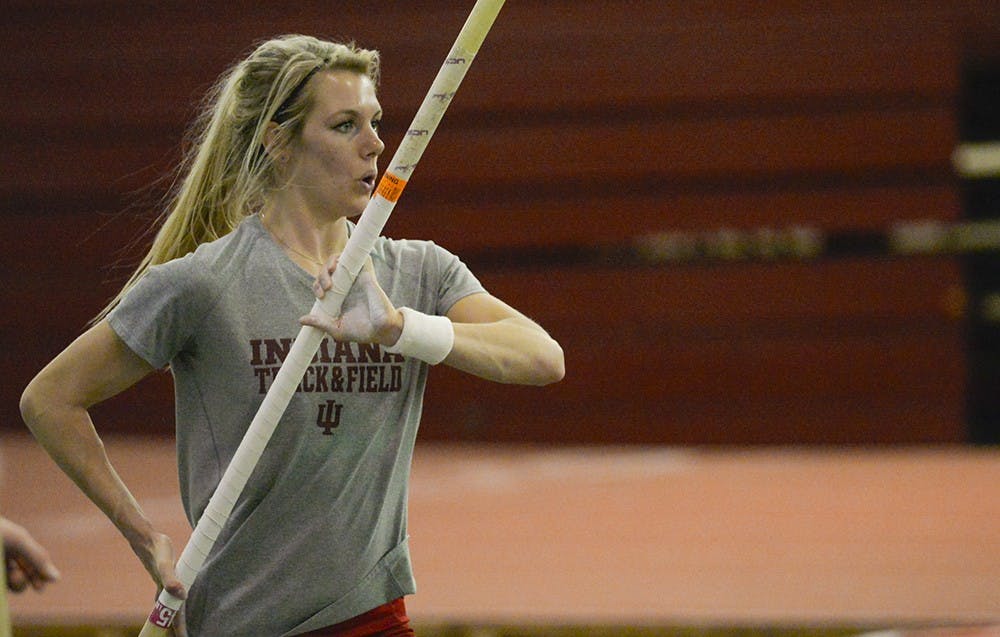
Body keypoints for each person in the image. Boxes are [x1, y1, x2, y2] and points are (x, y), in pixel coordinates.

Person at [19, 35, 564, 636]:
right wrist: (144, 537)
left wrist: (400, 328)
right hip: (241, 621)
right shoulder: (205, 283)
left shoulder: (416, 273)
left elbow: (543, 357)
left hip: (370, 616)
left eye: (376, 122)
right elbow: (49, 399)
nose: (375, 143)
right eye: (344, 125)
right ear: (278, 142)